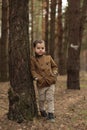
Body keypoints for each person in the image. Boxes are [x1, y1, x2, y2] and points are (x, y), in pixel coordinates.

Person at [30, 40, 58, 122]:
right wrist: (36, 77)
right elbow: (33, 70)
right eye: (38, 48)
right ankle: (42, 110)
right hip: (41, 82)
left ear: (45, 48)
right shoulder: (33, 59)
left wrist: (54, 73)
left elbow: (54, 66)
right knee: (41, 99)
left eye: (42, 48)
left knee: (50, 98)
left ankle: (51, 114)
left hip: (50, 81)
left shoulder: (48, 58)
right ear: (34, 49)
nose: (40, 50)